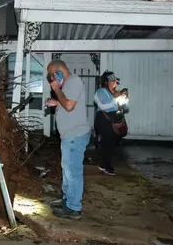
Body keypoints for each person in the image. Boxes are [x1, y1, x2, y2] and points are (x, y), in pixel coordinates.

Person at [45, 59, 90, 220]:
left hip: (74, 135)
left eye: (52, 75)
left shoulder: (73, 81)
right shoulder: (69, 84)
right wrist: (56, 102)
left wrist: (57, 90)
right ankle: (67, 199)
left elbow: (70, 106)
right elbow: (69, 104)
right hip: (70, 136)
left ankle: (73, 207)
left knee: (73, 172)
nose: (51, 79)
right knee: (68, 170)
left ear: (58, 71)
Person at [93, 71, 129, 176]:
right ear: (106, 82)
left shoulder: (115, 93)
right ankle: (107, 166)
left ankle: (104, 164)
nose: (115, 83)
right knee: (107, 143)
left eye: (116, 81)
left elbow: (125, 107)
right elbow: (104, 106)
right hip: (104, 120)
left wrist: (125, 98)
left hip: (114, 120)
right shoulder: (101, 92)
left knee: (110, 143)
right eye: (113, 81)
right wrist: (117, 98)